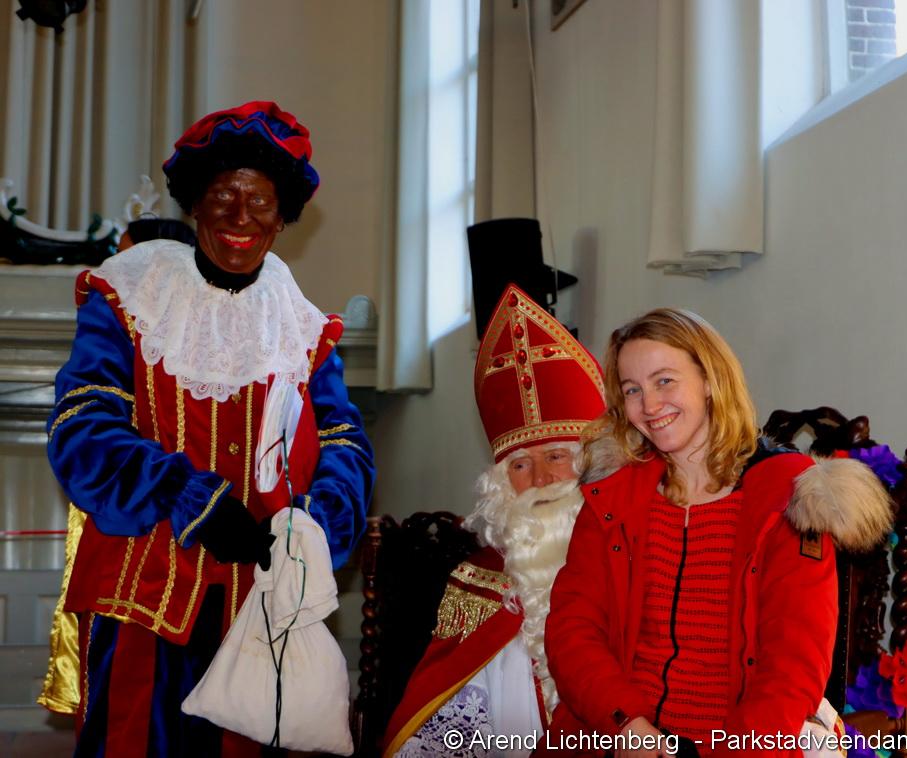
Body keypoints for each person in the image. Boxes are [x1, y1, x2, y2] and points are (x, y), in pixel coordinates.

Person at [43, 101, 375, 757]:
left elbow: (345, 444)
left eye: (261, 202)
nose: (241, 216)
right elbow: (81, 424)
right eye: (223, 196)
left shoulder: (306, 332)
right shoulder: (128, 300)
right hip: (142, 595)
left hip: (261, 605)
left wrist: (313, 523)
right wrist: (184, 494)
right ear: (196, 204)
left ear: (283, 218)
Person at [542, 308, 893, 758]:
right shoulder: (612, 496)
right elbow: (572, 630)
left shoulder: (787, 499)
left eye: (664, 381)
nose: (649, 405)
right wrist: (626, 725)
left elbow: (793, 667)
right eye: (632, 389)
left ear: (710, 380)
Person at [382, 284, 606, 757]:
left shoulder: (636, 558)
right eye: (520, 465)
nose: (541, 479)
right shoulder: (479, 583)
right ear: (501, 484)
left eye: (557, 456)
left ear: (592, 465)